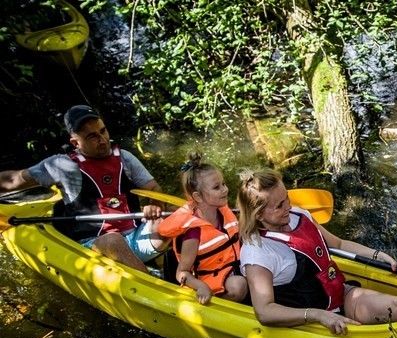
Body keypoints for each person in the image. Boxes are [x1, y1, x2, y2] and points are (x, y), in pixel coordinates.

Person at [237, 169, 397, 335]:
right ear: (258, 215)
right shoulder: (257, 253)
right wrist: (318, 315)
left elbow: (338, 244)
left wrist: (376, 255)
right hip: (307, 322)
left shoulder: (299, 216)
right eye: (279, 206)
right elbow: (264, 311)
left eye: (287, 198)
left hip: (340, 296)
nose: (288, 207)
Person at [0, 104, 167, 272]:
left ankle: (183, 276)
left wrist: (154, 205)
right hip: (94, 244)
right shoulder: (62, 165)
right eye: (92, 136)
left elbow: (153, 188)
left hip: (135, 236)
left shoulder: (124, 158)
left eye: (103, 131)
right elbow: (14, 179)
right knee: (114, 241)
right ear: (75, 142)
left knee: (175, 219)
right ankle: (154, 283)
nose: (102, 139)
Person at [158, 153, 248, 304]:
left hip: (235, 267)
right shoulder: (193, 232)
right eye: (217, 187)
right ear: (198, 197)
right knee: (238, 286)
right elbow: (182, 272)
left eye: (224, 184)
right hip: (211, 280)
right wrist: (201, 286)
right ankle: (219, 309)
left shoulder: (223, 212)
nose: (225, 190)